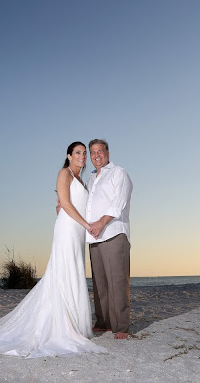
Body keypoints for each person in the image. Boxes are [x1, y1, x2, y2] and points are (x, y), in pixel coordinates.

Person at [0, 142, 107, 358]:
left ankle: (75, 323)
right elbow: (66, 204)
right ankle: (60, 325)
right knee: (62, 271)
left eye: (84, 153)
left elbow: (79, 203)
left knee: (74, 270)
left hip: (78, 232)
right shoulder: (64, 173)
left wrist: (87, 223)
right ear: (69, 156)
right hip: (68, 229)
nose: (82, 156)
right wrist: (86, 224)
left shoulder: (81, 180)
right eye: (78, 153)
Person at [85, 139, 133, 340]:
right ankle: (103, 322)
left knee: (117, 280)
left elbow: (119, 202)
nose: (97, 155)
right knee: (100, 282)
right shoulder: (90, 179)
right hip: (94, 236)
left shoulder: (118, 172)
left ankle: (121, 325)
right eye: (93, 152)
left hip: (113, 232)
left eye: (100, 151)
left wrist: (101, 223)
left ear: (108, 153)